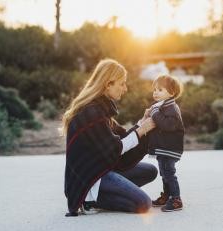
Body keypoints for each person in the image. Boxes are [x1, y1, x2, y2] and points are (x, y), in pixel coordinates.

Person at [62, 59, 157, 216]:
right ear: (108, 85)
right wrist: (141, 130)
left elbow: (121, 137)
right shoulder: (91, 112)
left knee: (150, 171)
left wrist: (142, 124)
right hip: (90, 178)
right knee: (144, 204)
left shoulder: (100, 108)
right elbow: (115, 148)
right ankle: (89, 200)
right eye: (122, 84)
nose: (125, 89)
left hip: (101, 168)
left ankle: (107, 196)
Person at [144, 75, 185, 212]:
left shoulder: (172, 108)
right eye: (154, 89)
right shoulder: (161, 107)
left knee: (169, 173)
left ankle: (176, 199)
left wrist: (154, 112)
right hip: (163, 148)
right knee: (164, 173)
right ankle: (167, 196)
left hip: (170, 148)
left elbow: (167, 125)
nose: (155, 92)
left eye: (160, 90)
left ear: (171, 93)